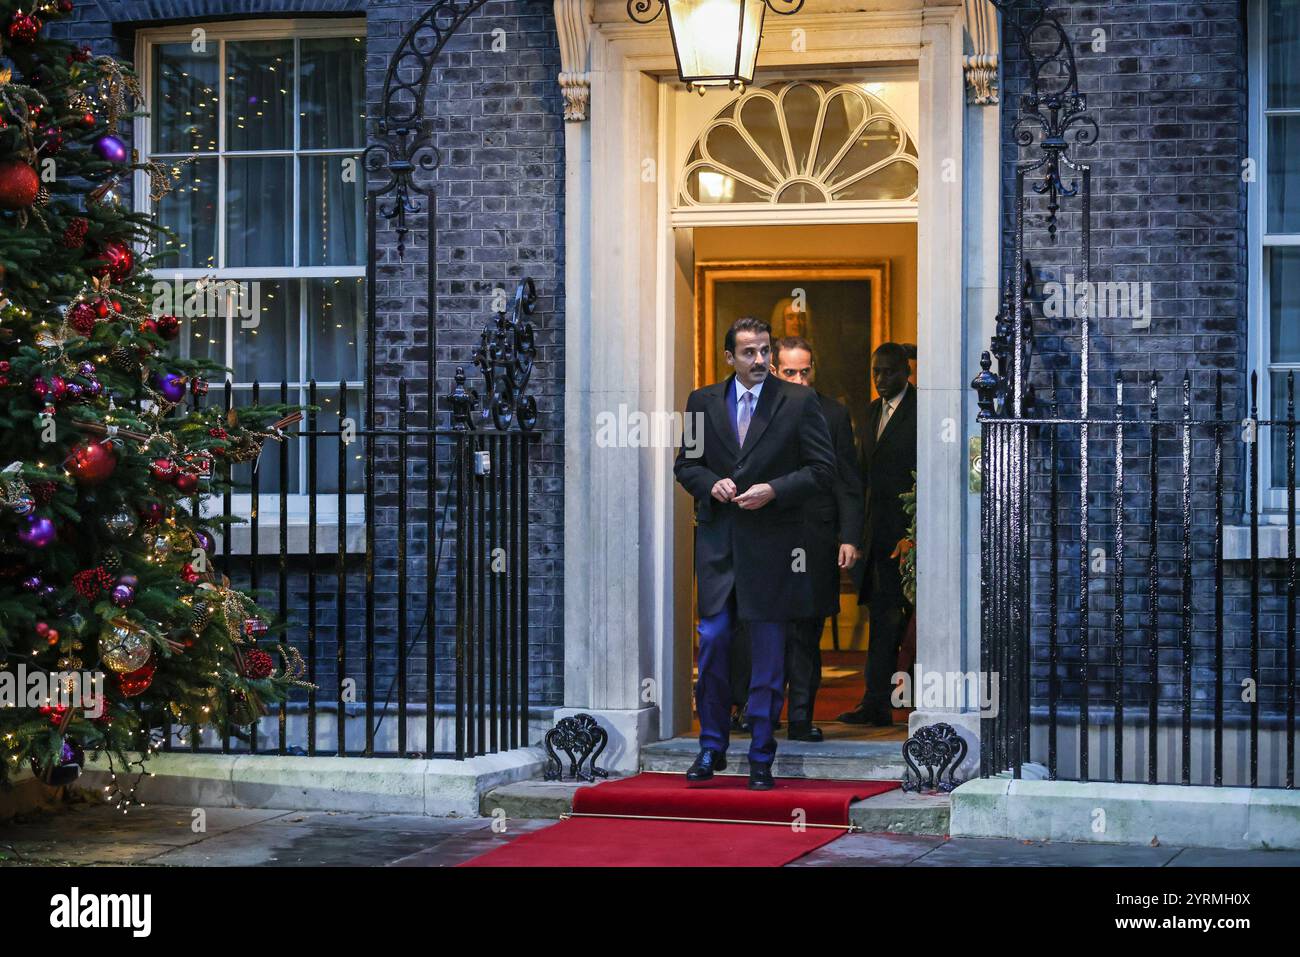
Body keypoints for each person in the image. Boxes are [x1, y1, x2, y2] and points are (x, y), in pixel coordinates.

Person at [674, 317, 835, 789]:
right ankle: (711, 748)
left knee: (768, 659)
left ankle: (762, 756)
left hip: (775, 549)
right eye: (749, 352)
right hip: (719, 548)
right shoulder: (702, 402)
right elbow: (687, 465)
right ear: (730, 357)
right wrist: (711, 483)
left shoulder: (799, 402)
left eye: (765, 350)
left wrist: (774, 490)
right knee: (716, 645)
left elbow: (822, 470)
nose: (761, 360)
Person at [771, 336, 863, 742]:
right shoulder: (756, 410)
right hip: (767, 535)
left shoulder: (834, 413)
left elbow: (848, 481)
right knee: (766, 631)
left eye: (804, 370)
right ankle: (763, 716)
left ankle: (803, 719)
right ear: (775, 370)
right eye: (790, 371)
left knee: (808, 631)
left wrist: (849, 536)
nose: (799, 379)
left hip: (816, 535)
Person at [838, 342, 916, 727]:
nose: (881, 379)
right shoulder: (870, 413)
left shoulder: (921, 410)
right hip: (876, 536)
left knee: (908, 623)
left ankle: (910, 702)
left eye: (889, 371)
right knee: (881, 620)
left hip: (909, 536)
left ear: (907, 371)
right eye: (876, 372)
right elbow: (860, 477)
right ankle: (875, 702)